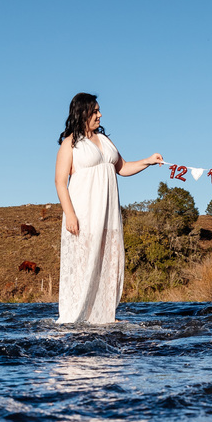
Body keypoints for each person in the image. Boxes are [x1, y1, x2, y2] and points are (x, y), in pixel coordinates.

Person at [55, 93, 163, 324]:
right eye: (95, 111)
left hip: (108, 214)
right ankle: (75, 316)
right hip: (83, 213)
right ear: (82, 112)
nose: (100, 115)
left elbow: (122, 168)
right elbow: (60, 182)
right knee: (84, 264)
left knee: (107, 262)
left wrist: (148, 161)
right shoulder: (70, 144)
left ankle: (104, 315)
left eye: (99, 110)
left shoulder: (105, 140)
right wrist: (70, 215)